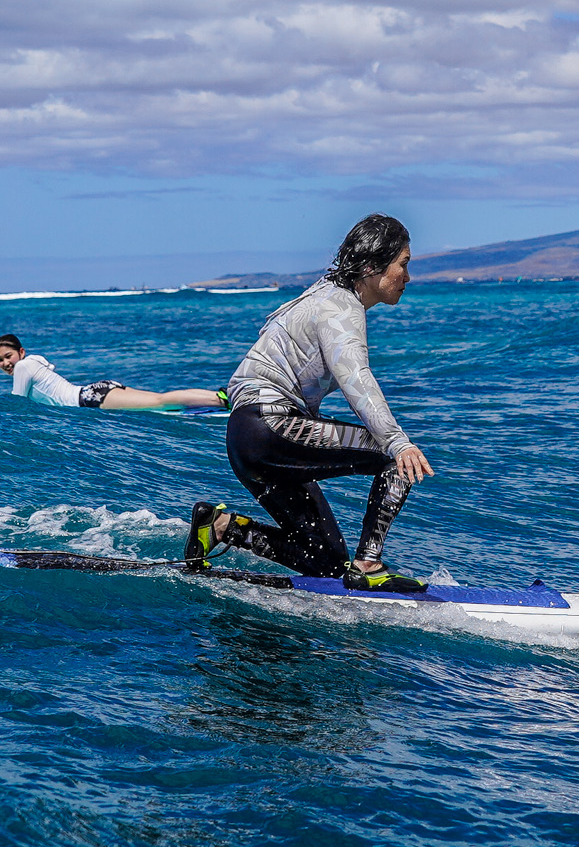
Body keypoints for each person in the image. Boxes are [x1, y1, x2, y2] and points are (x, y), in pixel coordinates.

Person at [186, 213, 434, 593]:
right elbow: (356, 378)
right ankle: (368, 565)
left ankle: (220, 527)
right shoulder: (340, 307)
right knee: (393, 458)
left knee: (326, 561)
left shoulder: (322, 294)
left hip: (246, 436)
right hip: (271, 426)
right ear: (372, 267)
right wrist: (397, 441)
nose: (408, 277)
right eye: (403, 264)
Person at [0, 335, 226, 411]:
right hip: (94, 391)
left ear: (21, 352)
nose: (5, 363)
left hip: (88, 398)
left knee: (159, 402)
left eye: (8, 356)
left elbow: (17, 404)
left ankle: (221, 400)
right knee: (158, 398)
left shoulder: (23, 367)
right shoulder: (33, 361)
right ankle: (219, 396)